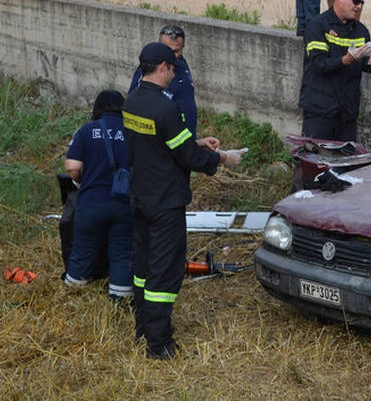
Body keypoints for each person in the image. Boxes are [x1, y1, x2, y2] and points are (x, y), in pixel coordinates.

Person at [122, 42, 242, 360]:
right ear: (163, 67)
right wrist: (221, 158)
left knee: (143, 267)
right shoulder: (165, 107)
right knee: (165, 271)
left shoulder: (132, 101)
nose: (175, 73)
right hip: (164, 202)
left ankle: (142, 329)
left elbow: (159, 143)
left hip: (140, 197)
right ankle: (159, 345)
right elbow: (187, 157)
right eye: (173, 68)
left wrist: (195, 141)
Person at [62, 90, 133, 301]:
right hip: (125, 203)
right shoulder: (132, 133)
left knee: (83, 250)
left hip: (92, 203)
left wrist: (84, 181)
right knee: (122, 254)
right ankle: (120, 300)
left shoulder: (86, 131)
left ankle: (73, 296)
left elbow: (72, 168)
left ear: (97, 109)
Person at [300, 0, 371, 141]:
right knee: (315, 161)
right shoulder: (317, 26)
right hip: (320, 110)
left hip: (347, 112)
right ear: (339, 0)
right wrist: (345, 60)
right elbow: (319, 64)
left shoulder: (361, 31)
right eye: (355, 1)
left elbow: (365, 65)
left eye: (362, 3)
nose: (358, 6)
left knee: (346, 163)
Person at [128, 24, 197, 138]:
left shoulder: (181, 64)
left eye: (176, 51)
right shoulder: (148, 71)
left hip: (186, 137)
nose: (172, 56)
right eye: (167, 50)